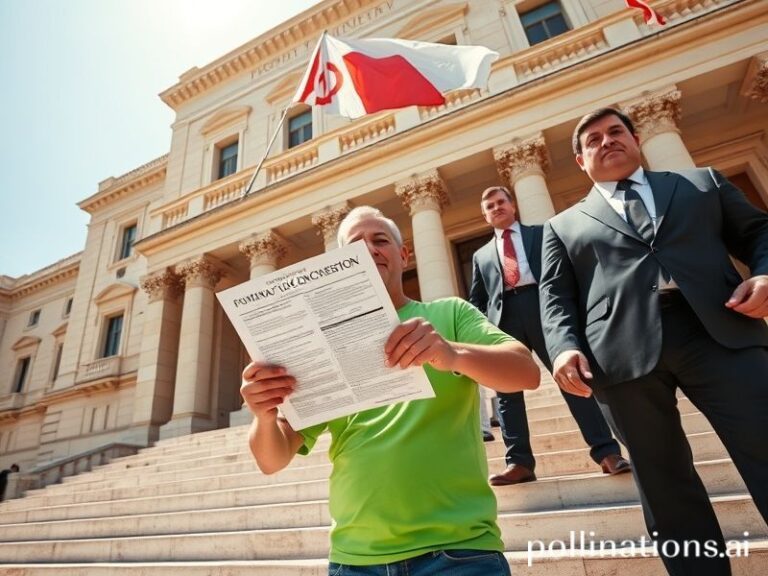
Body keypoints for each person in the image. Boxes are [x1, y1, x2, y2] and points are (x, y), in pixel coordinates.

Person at [241, 206, 541, 575]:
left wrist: (453, 353)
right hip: (355, 561)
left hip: (460, 553)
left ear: (404, 255)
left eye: (380, 240)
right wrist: (263, 414)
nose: (369, 248)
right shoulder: (319, 344)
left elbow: (526, 372)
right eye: (356, 244)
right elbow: (272, 459)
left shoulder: (449, 314)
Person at [539, 107, 768, 576]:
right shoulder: (561, 226)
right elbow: (555, 297)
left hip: (720, 329)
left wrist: (765, 274)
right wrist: (563, 347)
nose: (607, 141)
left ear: (636, 138)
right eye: (594, 139)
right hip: (621, 356)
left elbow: (759, 231)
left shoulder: (701, 183)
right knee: (664, 483)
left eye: (616, 131)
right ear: (581, 161)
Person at [469, 185, 630, 485]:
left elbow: (564, 272)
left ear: (512, 205)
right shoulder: (481, 256)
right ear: (485, 215)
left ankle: (607, 452)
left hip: (545, 309)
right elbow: (477, 298)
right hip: (503, 321)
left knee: (572, 378)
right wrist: (479, 328)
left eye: (500, 202)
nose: (496, 208)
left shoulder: (542, 233)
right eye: (489, 206)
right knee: (506, 393)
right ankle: (518, 463)